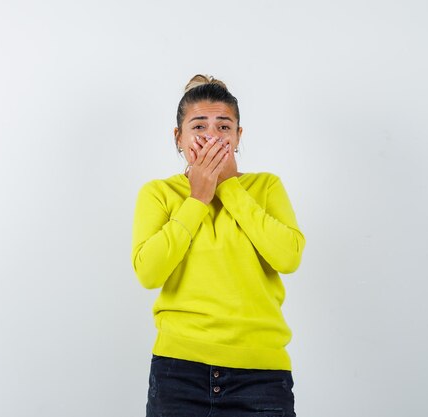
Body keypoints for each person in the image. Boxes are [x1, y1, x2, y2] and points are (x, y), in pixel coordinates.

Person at [131, 74, 305, 417]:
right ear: (178, 138)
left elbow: (288, 257)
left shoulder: (266, 187)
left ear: (239, 136)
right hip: (178, 373)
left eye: (224, 127)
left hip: (261, 376)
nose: (212, 136)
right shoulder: (158, 193)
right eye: (199, 126)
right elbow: (148, 273)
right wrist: (197, 197)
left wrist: (229, 187)